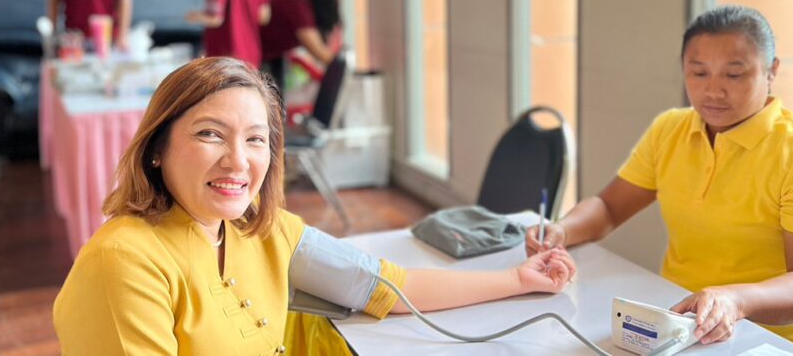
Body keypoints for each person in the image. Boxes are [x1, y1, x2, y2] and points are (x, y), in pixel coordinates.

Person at [53, 57, 576, 354]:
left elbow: (387, 287)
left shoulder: (260, 229)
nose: (239, 162)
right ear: (157, 149)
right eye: (210, 134)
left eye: (256, 140)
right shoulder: (125, 263)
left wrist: (517, 279)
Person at [525, 5, 793, 354]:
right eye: (698, 73)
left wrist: (736, 299)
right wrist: (563, 230)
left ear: (771, 71)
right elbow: (609, 208)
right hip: (678, 322)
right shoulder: (671, 129)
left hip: (773, 339)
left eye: (734, 75)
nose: (713, 91)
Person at [261, 0, 343, 86]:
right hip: (259, 55)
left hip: (273, 55)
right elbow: (317, 49)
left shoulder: (302, 3)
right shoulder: (299, 7)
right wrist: (341, 65)